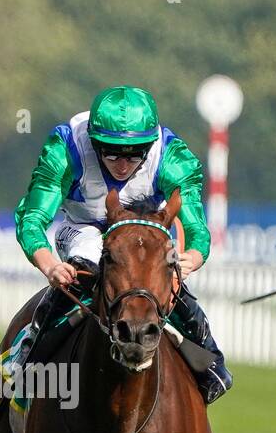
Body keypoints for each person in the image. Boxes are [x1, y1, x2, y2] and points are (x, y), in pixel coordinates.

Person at [13, 85, 232, 403]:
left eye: (134, 153)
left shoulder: (172, 157)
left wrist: (189, 261)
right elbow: (32, 218)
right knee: (85, 267)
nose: (122, 163)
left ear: (150, 144)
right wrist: (51, 266)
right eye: (110, 151)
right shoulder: (66, 147)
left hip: (145, 235)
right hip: (84, 229)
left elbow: (198, 231)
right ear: (94, 140)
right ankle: (30, 355)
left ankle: (212, 364)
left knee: (166, 284)